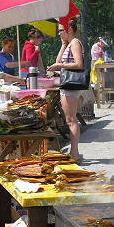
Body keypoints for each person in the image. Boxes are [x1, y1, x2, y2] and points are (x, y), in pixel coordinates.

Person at [48, 17, 84, 162]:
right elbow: (58, 61)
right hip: (67, 85)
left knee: (71, 120)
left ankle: (74, 152)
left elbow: (78, 64)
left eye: (61, 30)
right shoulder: (69, 43)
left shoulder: (75, 43)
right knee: (70, 119)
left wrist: (60, 67)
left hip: (71, 85)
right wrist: (63, 44)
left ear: (69, 29)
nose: (59, 33)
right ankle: (73, 151)